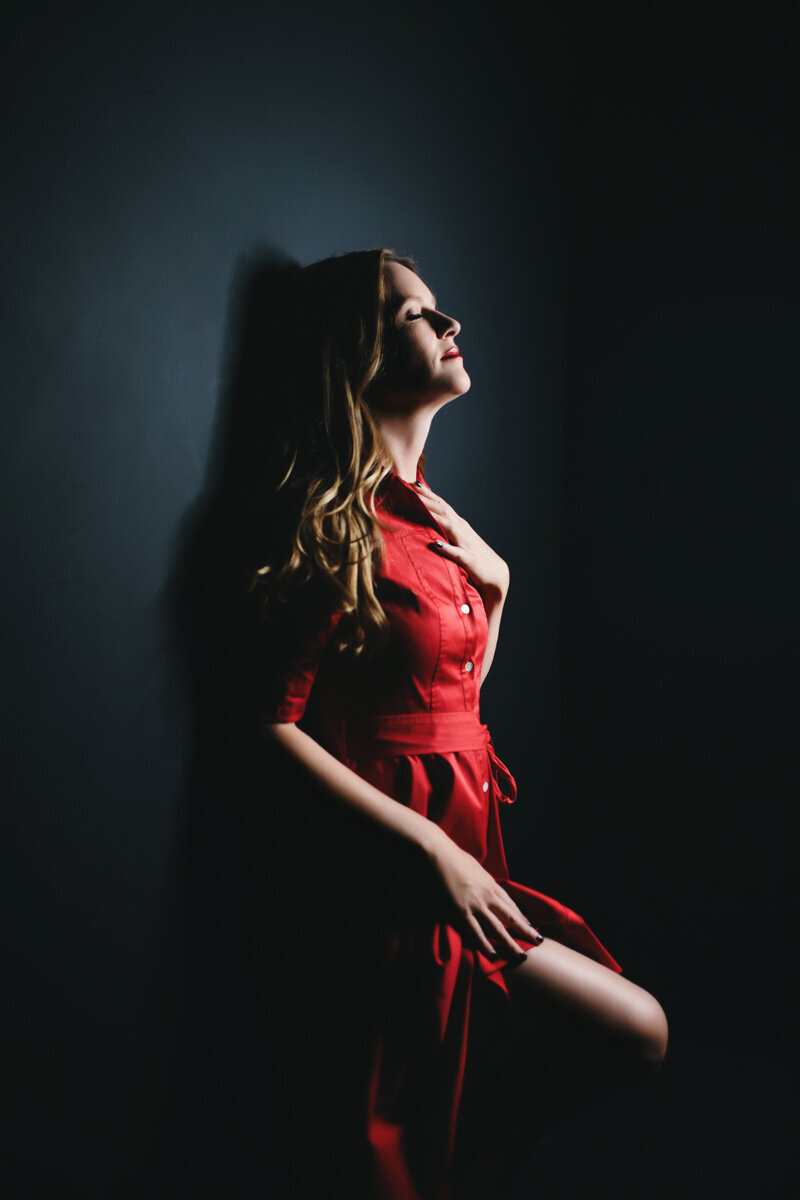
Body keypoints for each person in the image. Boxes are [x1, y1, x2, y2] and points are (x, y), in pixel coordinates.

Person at [242, 248, 669, 1200]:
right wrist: (428, 854)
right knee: (391, 1132)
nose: (449, 327)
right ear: (356, 352)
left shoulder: (438, 521)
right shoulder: (331, 522)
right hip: (389, 880)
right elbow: (267, 726)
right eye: (414, 315)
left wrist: (500, 594)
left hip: (473, 861)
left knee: (601, 1045)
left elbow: (451, 704)